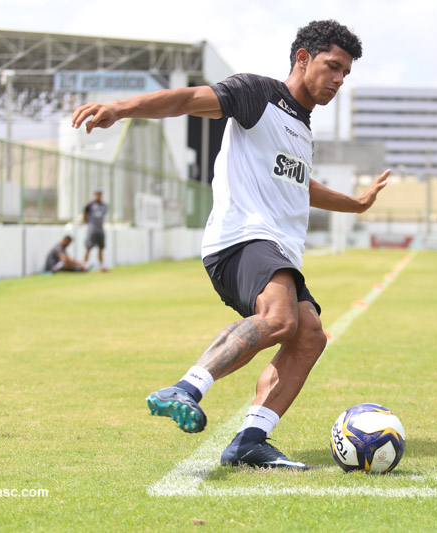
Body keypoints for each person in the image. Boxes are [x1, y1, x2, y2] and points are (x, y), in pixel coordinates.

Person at [71, 20, 389, 470]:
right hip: (241, 238)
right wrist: (121, 109)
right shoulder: (256, 94)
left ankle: (250, 440)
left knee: (310, 337)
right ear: (302, 58)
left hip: (276, 247)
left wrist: (355, 204)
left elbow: (302, 186)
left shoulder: (302, 125)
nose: (338, 80)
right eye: (332, 66)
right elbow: (186, 99)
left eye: (345, 74)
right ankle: (187, 387)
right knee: (279, 319)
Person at [83, 189, 108, 271]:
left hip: (100, 229)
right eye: (97, 194)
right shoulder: (90, 205)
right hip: (92, 229)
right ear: (94, 195)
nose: (98, 196)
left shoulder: (104, 206)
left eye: (100, 194)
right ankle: (84, 265)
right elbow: (85, 213)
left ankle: (101, 265)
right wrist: (87, 222)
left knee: (101, 247)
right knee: (88, 247)